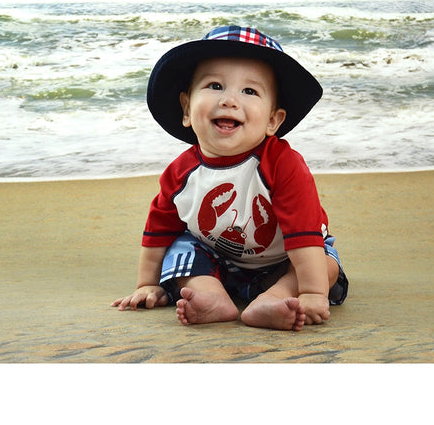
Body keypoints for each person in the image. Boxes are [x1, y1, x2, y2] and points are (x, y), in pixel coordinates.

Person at [111, 25, 348, 331]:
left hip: (286, 260)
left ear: (273, 121)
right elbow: (158, 231)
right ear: (186, 108)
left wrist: (313, 293)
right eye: (214, 86)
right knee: (181, 250)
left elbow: (303, 235)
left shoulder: (283, 164)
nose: (229, 100)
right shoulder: (179, 173)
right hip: (219, 262)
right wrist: (147, 284)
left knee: (325, 262)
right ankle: (212, 297)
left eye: (249, 91)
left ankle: (275, 298)